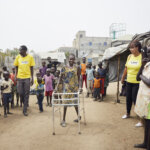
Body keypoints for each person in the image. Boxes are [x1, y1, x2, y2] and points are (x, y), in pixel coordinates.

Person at [134, 47, 150, 149]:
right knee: (146, 123)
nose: (147, 54)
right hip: (145, 99)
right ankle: (145, 143)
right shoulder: (146, 65)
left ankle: (148, 145)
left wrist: (141, 76)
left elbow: (149, 83)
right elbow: (137, 77)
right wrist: (142, 66)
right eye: (147, 52)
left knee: (149, 123)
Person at [121, 40, 142, 119]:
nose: (130, 49)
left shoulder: (142, 56)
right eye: (130, 48)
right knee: (128, 98)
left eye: (132, 48)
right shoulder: (129, 56)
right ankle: (127, 113)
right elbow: (126, 68)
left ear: (137, 48)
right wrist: (123, 78)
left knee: (135, 99)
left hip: (138, 82)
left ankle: (140, 117)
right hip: (128, 81)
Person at [59, 53, 80, 127]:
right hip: (67, 88)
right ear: (68, 59)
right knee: (65, 104)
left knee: (75, 103)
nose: (72, 60)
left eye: (73, 59)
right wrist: (57, 87)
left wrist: (79, 87)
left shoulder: (77, 67)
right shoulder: (64, 67)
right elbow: (60, 78)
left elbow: (79, 77)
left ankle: (78, 117)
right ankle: (63, 120)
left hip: (74, 88)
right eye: (70, 59)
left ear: (74, 60)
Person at [14, 45, 35, 116]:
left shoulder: (30, 57)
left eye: (21, 50)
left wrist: (32, 78)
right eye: (19, 50)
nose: (19, 52)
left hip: (27, 78)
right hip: (19, 78)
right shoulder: (18, 57)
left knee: (26, 94)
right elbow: (16, 67)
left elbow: (32, 68)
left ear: (25, 51)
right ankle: (25, 103)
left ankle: (25, 110)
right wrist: (15, 76)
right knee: (20, 93)